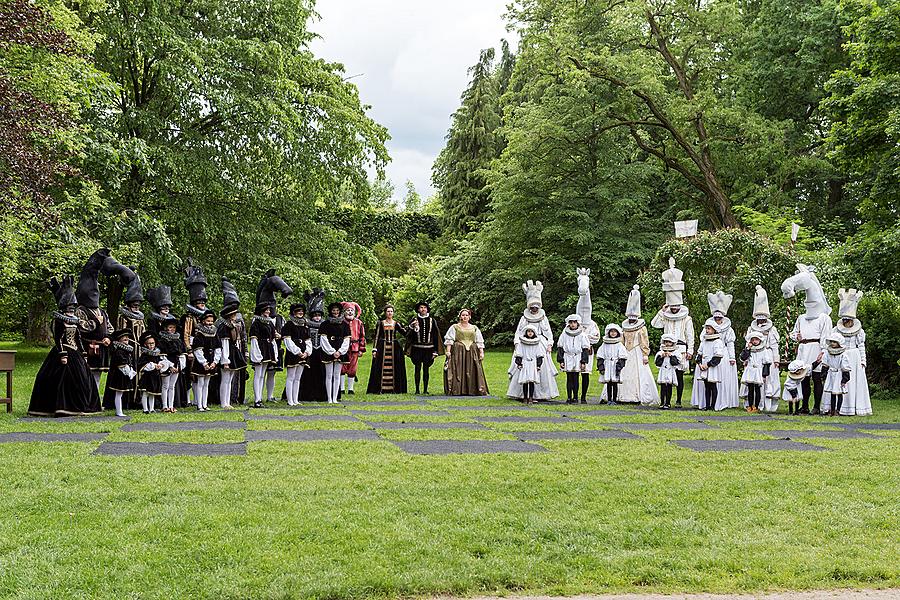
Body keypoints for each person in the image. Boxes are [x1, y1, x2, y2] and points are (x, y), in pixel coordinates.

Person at [29, 276, 103, 417]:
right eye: (69, 308)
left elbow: (78, 337)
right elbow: (58, 339)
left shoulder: (75, 321)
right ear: (64, 308)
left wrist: (83, 353)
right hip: (63, 352)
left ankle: (81, 407)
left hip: (76, 353)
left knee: (83, 379)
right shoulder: (58, 321)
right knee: (60, 380)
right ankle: (61, 407)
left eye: (73, 307)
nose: (71, 310)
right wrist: (63, 354)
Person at [783, 264, 833, 415]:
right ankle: (804, 405)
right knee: (803, 379)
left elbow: (826, 336)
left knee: (817, 378)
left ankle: (816, 406)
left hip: (816, 348)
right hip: (804, 349)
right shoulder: (801, 318)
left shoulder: (823, 317)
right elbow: (793, 334)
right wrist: (796, 337)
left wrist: (823, 352)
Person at [650, 258, 695, 406]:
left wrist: (690, 350)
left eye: (676, 306)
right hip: (666, 348)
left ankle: (679, 400)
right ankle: (666, 401)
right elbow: (654, 324)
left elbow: (690, 335)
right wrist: (661, 311)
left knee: (679, 376)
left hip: (681, 348)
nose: (674, 309)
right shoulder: (666, 316)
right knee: (667, 376)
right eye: (672, 306)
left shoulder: (686, 318)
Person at [507, 280, 558, 401]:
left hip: (539, 344)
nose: (534, 309)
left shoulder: (543, 318)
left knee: (541, 367)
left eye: (536, 307)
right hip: (524, 343)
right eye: (532, 307)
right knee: (521, 366)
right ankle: (522, 394)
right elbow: (518, 332)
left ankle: (539, 394)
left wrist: (550, 343)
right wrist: (516, 343)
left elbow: (548, 332)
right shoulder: (524, 318)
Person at [831, 288, 872, 416]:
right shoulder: (836, 330)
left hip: (854, 358)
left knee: (853, 382)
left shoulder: (859, 331)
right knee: (838, 381)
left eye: (847, 320)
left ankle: (852, 408)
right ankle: (836, 408)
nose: (845, 322)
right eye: (843, 320)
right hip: (840, 356)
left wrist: (863, 361)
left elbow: (861, 346)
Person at [256, 269, 293, 403]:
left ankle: (270, 395)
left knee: (272, 373)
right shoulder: (258, 320)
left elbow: (282, 332)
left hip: (274, 347)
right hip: (263, 347)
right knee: (260, 373)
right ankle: (258, 396)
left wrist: (279, 336)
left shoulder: (278, 318)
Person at [743, 285, 781, 411]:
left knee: (767, 380)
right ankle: (751, 404)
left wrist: (776, 359)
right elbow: (747, 343)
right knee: (752, 383)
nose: (760, 322)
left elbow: (774, 346)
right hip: (753, 357)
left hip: (767, 356)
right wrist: (745, 358)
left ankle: (766, 404)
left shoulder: (772, 329)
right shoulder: (751, 328)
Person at [619, 285, 658, 405]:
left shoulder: (641, 328)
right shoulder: (624, 328)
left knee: (638, 375)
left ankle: (637, 395)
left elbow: (644, 341)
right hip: (626, 352)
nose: (631, 320)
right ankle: (621, 395)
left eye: (633, 318)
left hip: (637, 352)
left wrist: (645, 354)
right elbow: (621, 341)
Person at [181, 259, 210, 406]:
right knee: (190, 374)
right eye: (200, 303)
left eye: (203, 303)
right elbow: (186, 334)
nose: (202, 305)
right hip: (192, 347)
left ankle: (200, 400)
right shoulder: (189, 317)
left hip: (204, 347)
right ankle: (188, 399)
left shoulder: (206, 317)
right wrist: (189, 349)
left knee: (202, 374)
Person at [705, 291, 739, 411]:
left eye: (719, 318)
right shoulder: (708, 328)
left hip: (722, 355)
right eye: (716, 318)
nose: (718, 319)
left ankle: (722, 401)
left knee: (722, 379)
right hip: (709, 354)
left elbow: (730, 344)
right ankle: (708, 402)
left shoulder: (728, 330)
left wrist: (732, 357)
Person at [443, 308, 489, 396]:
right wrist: (448, 351)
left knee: (472, 369)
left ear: (469, 317)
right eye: (463, 315)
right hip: (458, 351)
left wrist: (481, 352)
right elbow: (450, 339)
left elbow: (479, 340)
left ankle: (472, 389)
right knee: (458, 370)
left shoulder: (474, 328)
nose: (465, 317)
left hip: (472, 351)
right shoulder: (455, 327)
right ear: (460, 316)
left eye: (466, 315)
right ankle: (458, 389)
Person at [217, 277, 247, 410]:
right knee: (225, 379)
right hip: (227, 354)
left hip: (233, 351)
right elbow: (224, 344)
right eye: (234, 314)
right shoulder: (224, 327)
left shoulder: (233, 325)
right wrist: (225, 359)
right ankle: (224, 402)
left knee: (229, 379)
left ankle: (228, 401)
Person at [116, 270, 145, 408]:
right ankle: (127, 401)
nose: (136, 307)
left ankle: (138, 399)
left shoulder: (141, 317)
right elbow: (121, 334)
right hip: (129, 349)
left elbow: (144, 333)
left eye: (138, 304)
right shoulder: (124, 317)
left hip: (140, 349)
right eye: (134, 304)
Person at [367, 305, 408, 394]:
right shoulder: (381, 323)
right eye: (388, 311)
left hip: (394, 348)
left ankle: (395, 389)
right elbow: (377, 336)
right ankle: (380, 389)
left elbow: (405, 333)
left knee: (396, 367)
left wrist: (412, 327)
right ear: (385, 313)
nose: (390, 313)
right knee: (380, 367)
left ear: (393, 313)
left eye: (391, 311)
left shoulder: (396, 323)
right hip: (382, 348)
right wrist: (374, 349)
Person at [407, 301, 443, 395]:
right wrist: (411, 327)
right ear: (418, 309)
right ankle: (417, 389)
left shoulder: (432, 320)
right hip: (417, 348)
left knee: (426, 369)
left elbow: (436, 336)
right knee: (417, 368)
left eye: (424, 307)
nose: (423, 309)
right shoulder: (414, 320)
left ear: (427, 309)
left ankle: (425, 389)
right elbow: (408, 335)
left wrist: (435, 351)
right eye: (421, 308)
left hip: (429, 349)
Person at [319, 301, 351, 403]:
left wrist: (340, 351)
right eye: (333, 310)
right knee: (329, 375)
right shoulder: (325, 324)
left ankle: (335, 398)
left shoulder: (345, 324)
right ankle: (329, 398)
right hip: (329, 351)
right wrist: (331, 351)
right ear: (330, 311)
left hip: (340, 350)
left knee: (337, 375)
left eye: (337, 310)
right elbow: (323, 339)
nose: (335, 312)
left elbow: (347, 340)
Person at [299, 289, 328, 402]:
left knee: (322, 373)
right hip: (310, 352)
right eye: (315, 315)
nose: (317, 317)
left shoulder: (325, 325)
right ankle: (307, 395)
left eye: (319, 315)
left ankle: (322, 395)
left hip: (321, 352)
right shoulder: (306, 325)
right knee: (307, 374)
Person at [249, 303, 279, 408]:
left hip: (268, 349)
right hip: (260, 348)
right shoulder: (256, 323)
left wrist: (274, 352)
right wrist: (257, 354)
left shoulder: (269, 322)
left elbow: (273, 338)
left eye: (269, 310)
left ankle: (260, 398)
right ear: (261, 311)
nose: (268, 312)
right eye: (266, 310)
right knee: (258, 375)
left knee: (262, 375)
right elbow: (253, 339)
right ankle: (257, 399)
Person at [190, 309, 220, 412]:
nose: (210, 323)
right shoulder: (199, 334)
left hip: (211, 359)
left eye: (211, 321)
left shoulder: (214, 332)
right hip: (202, 361)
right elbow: (197, 350)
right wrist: (204, 363)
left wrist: (215, 361)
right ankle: (199, 405)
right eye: (208, 321)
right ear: (203, 321)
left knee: (207, 383)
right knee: (200, 382)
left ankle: (205, 404)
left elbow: (218, 347)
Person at [557, 314, 591, 404]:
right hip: (568, 357)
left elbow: (585, 348)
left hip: (577, 357)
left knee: (575, 378)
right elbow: (560, 347)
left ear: (578, 323)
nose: (573, 324)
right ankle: (569, 397)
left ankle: (575, 397)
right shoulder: (564, 334)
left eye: (574, 322)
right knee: (569, 378)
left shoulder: (582, 335)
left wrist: (583, 361)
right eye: (571, 322)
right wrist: (561, 360)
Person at [102, 329, 136, 417]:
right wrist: (129, 372)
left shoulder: (126, 351)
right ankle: (118, 411)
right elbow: (121, 364)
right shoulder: (118, 351)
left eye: (127, 338)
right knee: (118, 394)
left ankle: (120, 410)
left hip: (123, 375)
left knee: (120, 394)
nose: (127, 339)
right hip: (119, 375)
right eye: (124, 338)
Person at [282, 303, 311, 406]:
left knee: (298, 378)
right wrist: (297, 352)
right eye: (298, 311)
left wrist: (307, 352)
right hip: (293, 354)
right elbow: (287, 341)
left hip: (303, 353)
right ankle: (290, 400)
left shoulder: (304, 325)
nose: (300, 313)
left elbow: (308, 340)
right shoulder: (289, 325)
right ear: (293, 313)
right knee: (291, 377)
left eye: (302, 311)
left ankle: (295, 399)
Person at [157, 316, 187, 413]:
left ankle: (171, 405)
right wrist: (170, 366)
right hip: (166, 365)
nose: (172, 329)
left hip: (177, 365)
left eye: (173, 327)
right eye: (170, 327)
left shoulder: (178, 340)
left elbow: (182, 355)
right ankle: (164, 405)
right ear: (166, 328)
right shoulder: (162, 341)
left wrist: (179, 367)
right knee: (165, 385)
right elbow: (162, 356)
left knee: (172, 386)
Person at [694, 320, 725, 411]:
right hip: (704, 367)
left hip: (712, 368)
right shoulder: (704, 341)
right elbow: (699, 354)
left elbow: (717, 356)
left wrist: (708, 365)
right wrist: (700, 364)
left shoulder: (717, 342)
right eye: (706, 328)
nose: (707, 330)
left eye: (709, 329)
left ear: (714, 330)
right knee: (706, 386)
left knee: (713, 386)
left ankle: (713, 406)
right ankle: (707, 406)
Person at [509, 324, 544, 404]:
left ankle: (531, 397)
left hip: (533, 363)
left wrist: (538, 365)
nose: (530, 333)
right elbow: (519, 353)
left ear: (534, 333)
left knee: (532, 381)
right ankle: (525, 397)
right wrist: (519, 363)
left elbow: (539, 355)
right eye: (528, 331)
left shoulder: (537, 343)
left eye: (532, 331)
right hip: (525, 363)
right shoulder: (522, 343)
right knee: (525, 382)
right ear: (526, 332)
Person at [739, 331, 773, 413]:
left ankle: (756, 406)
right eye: (753, 340)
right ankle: (750, 405)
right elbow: (743, 358)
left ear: (760, 340)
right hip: (750, 370)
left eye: (756, 340)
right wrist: (747, 348)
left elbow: (766, 363)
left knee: (758, 390)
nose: (754, 341)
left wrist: (764, 375)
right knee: (750, 389)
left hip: (758, 371)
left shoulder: (763, 350)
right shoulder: (750, 350)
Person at [822, 332, 852, 416]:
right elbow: (825, 364)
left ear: (839, 343)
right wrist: (824, 375)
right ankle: (832, 410)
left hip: (839, 374)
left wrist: (844, 379)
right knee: (832, 393)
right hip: (831, 374)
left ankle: (838, 410)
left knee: (838, 393)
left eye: (834, 342)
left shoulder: (843, 354)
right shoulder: (827, 353)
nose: (832, 343)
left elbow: (845, 367)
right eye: (831, 341)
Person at [597, 324, 629, 405]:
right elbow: (600, 356)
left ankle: (614, 399)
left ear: (617, 333)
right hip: (607, 364)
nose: (613, 333)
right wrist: (601, 367)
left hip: (615, 365)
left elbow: (623, 356)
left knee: (615, 383)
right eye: (611, 331)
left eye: (615, 332)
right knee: (608, 383)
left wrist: (619, 367)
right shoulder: (604, 344)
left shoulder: (619, 344)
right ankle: (609, 399)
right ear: (608, 333)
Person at [340, 302, 366, 395]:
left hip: (355, 348)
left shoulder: (359, 323)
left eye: (352, 310)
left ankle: (350, 389)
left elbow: (362, 336)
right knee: (342, 368)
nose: (350, 312)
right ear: (344, 312)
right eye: (348, 310)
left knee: (353, 368)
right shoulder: (341, 322)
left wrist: (361, 349)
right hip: (343, 348)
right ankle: (341, 388)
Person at [137, 331, 167, 414]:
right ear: (145, 344)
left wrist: (160, 365)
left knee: (152, 393)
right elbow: (142, 365)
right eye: (149, 344)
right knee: (145, 393)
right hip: (147, 377)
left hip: (155, 376)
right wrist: (153, 365)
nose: (151, 345)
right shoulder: (144, 355)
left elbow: (161, 361)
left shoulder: (157, 354)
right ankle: (145, 409)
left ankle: (152, 408)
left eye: (152, 343)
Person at [655, 334, 681, 410]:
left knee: (669, 387)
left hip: (670, 372)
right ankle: (662, 402)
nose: (667, 344)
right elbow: (657, 363)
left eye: (669, 342)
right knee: (663, 388)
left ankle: (668, 403)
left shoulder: (676, 353)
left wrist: (671, 356)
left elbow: (675, 363)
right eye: (666, 342)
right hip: (663, 371)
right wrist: (662, 357)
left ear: (673, 343)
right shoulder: (660, 352)